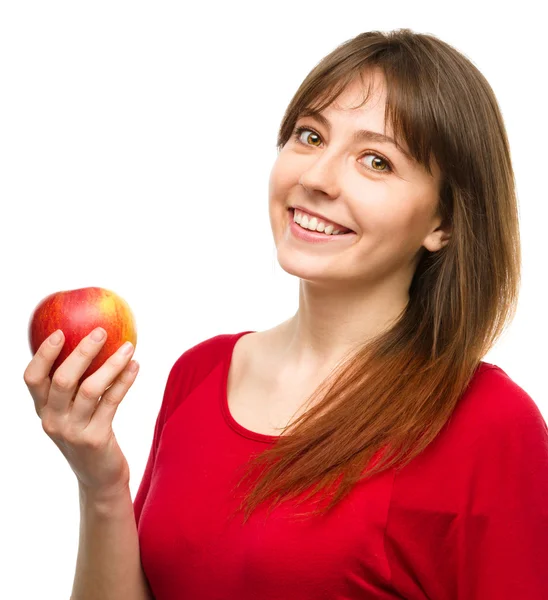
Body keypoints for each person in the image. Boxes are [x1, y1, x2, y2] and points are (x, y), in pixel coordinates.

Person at [24, 28, 548, 600]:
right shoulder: (199, 373)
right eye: (309, 134)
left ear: (442, 222)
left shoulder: (489, 425)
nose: (317, 178)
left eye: (376, 161)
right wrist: (101, 484)